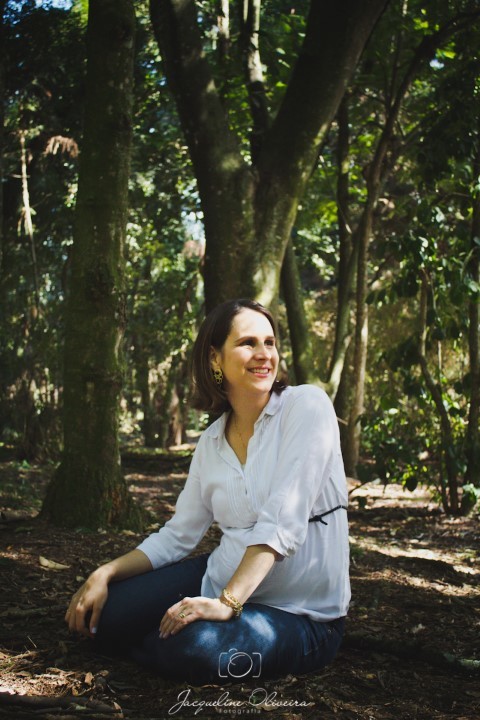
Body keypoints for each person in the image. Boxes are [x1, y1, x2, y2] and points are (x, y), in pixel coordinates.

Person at [65, 298, 350, 684]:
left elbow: (281, 523)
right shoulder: (211, 442)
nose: (264, 354)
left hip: (302, 616)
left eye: (269, 342)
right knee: (105, 613)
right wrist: (106, 571)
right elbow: (178, 535)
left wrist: (227, 603)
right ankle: (155, 640)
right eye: (248, 343)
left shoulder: (306, 406)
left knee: (196, 646)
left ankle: (163, 643)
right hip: (215, 582)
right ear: (215, 358)